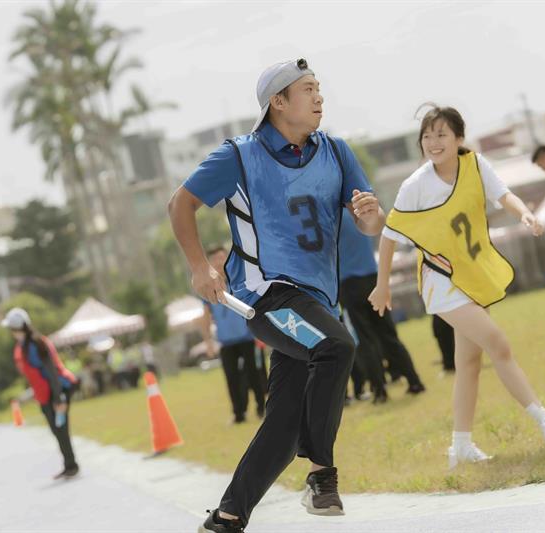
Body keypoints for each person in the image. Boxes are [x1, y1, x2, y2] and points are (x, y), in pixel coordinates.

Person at [168, 58, 385, 531]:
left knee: (286, 424)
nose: (319, 97)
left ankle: (227, 517)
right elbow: (180, 203)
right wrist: (200, 266)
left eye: (320, 88)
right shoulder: (238, 156)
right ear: (278, 102)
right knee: (338, 346)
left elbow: (369, 221)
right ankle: (321, 475)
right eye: (308, 89)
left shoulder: (337, 151)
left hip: (316, 302)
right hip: (267, 298)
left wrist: (370, 215)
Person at [369, 104, 545, 469]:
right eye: (427, 136)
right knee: (498, 343)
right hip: (440, 281)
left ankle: (460, 446)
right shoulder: (414, 185)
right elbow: (388, 237)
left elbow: (503, 194)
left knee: (469, 362)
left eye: (442, 134)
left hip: (472, 274)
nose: (433, 142)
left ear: (459, 138)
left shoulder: (475, 165)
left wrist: (524, 213)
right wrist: (382, 285)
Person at [338, 210, 426, 404]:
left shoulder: (330, 218)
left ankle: (379, 392)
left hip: (349, 284)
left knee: (365, 340)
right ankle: (414, 381)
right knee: (389, 335)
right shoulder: (360, 213)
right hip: (373, 279)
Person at [1, 307, 80, 479]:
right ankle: (69, 464)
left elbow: (51, 371)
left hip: (58, 388)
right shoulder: (22, 346)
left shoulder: (37, 343)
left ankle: (71, 465)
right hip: (45, 394)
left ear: (16, 328)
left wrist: (59, 397)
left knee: (61, 429)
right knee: (56, 429)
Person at [202, 246, 266, 423]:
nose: (219, 261)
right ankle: (239, 414)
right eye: (214, 259)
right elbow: (206, 316)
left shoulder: (239, 280)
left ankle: (262, 407)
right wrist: (207, 341)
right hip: (226, 342)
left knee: (254, 374)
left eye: (222, 257)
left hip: (247, 337)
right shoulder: (209, 287)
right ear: (210, 263)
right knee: (232, 378)